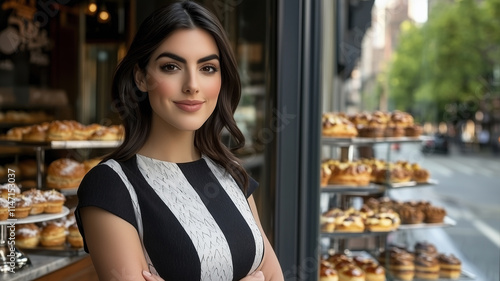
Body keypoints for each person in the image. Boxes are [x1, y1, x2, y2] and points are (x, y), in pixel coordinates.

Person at [75, 1, 284, 281]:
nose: (192, 85)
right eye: (171, 66)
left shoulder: (231, 171)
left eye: (207, 68)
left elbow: (274, 276)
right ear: (141, 77)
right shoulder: (111, 186)